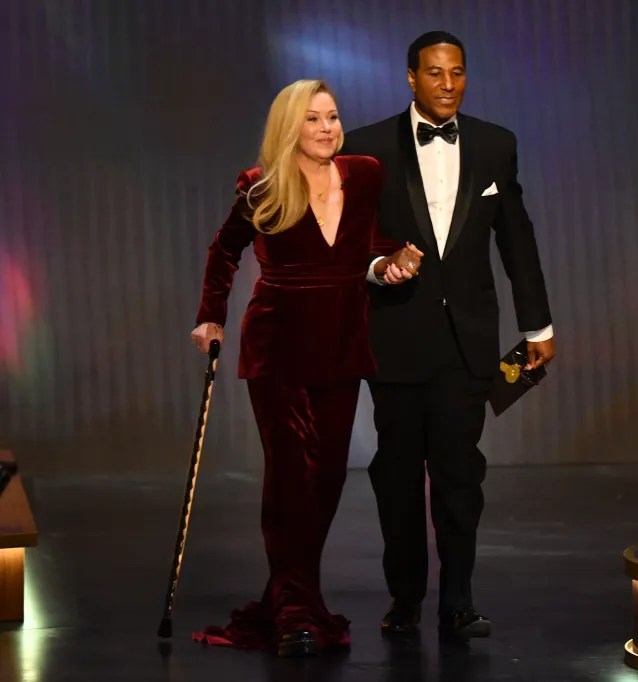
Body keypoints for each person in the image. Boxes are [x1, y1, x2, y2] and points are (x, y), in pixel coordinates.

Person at [188, 79, 421, 657]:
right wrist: (210, 317)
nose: (326, 128)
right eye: (313, 119)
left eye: (333, 117)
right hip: (279, 348)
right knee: (291, 478)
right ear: (290, 127)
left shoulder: (363, 174)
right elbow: (225, 249)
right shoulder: (261, 185)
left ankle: (291, 596)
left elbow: (368, 244)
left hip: (342, 344)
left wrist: (392, 262)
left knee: (328, 479)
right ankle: (295, 614)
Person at [343, 31, 556, 640]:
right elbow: (351, 243)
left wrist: (537, 325)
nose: (447, 84)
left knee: (461, 474)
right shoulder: (368, 147)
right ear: (411, 77)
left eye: (457, 73)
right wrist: (378, 269)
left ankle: (457, 599)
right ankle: (405, 596)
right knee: (399, 475)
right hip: (397, 338)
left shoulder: (495, 144)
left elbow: (517, 241)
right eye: (434, 73)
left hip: (468, 343)